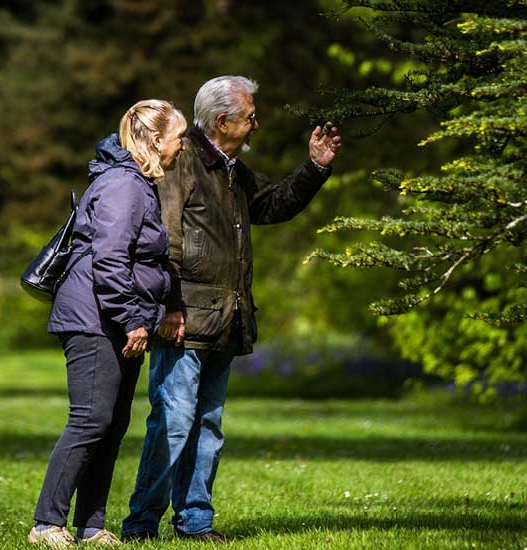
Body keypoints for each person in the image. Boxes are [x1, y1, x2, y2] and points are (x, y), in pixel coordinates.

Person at [121, 76, 342, 542]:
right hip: (183, 319)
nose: (256, 123)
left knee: (207, 427)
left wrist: (315, 168)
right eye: (250, 116)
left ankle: (196, 522)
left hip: (226, 319)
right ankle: (142, 524)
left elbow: (273, 204)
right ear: (222, 121)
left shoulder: (232, 168)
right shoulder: (183, 161)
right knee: (173, 425)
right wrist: (170, 306)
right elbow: (168, 239)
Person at [29, 99, 187, 548]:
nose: (181, 147)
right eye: (178, 137)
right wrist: (133, 319)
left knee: (111, 425)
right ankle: (46, 524)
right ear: (156, 141)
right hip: (96, 319)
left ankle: (90, 525)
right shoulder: (123, 184)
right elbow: (109, 260)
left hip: (116, 319)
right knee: (90, 420)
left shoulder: (137, 183)